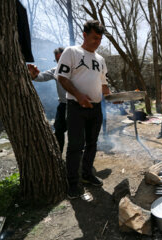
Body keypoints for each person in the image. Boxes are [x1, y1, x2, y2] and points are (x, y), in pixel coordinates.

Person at [56, 20, 110, 199]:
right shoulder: (71, 52)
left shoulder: (100, 60)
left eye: (100, 39)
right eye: (95, 38)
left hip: (95, 109)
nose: (98, 42)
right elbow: (62, 77)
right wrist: (79, 96)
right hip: (76, 107)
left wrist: (114, 97)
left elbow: (103, 84)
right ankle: (72, 183)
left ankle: (87, 174)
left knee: (92, 144)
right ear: (85, 35)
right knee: (75, 146)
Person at [27, 47, 67, 153]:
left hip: (77, 105)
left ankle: (77, 157)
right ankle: (59, 155)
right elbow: (42, 76)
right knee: (58, 130)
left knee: (77, 132)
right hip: (63, 105)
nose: (60, 63)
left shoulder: (78, 70)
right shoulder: (56, 70)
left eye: (62, 59)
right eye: (57, 60)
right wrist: (34, 75)